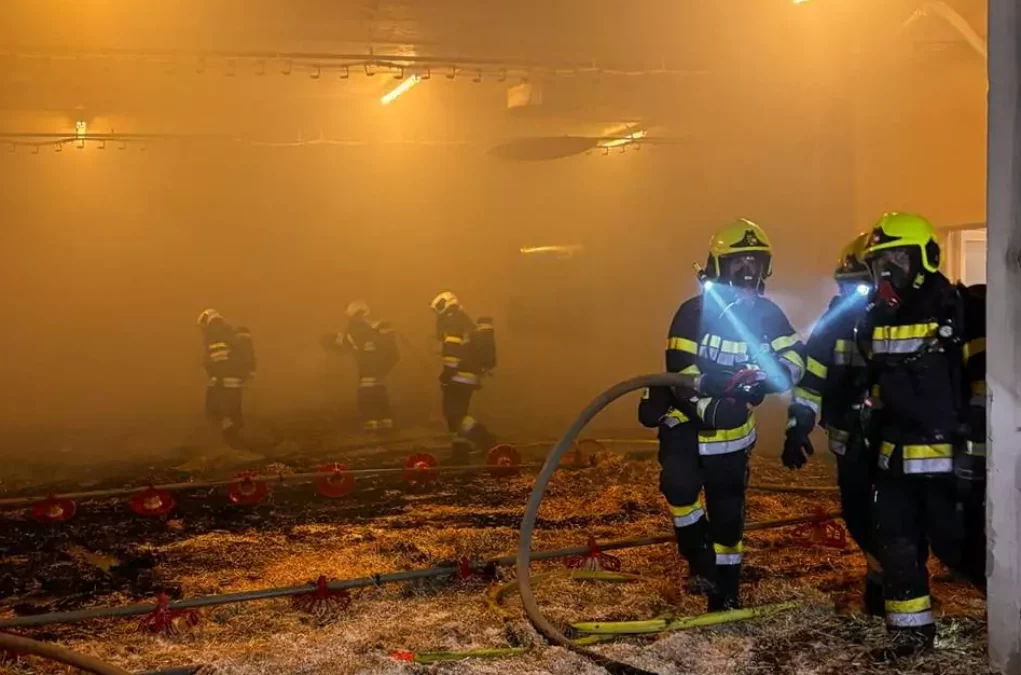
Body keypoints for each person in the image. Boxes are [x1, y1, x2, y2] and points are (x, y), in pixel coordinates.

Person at [639, 219, 806, 611]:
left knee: (728, 518)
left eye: (756, 263)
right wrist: (713, 407)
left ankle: (725, 591)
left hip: (732, 440)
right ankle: (698, 559)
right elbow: (680, 375)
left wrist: (768, 378)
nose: (748, 274)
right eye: (738, 264)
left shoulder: (768, 315)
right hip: (686, 425)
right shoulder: (691, 313)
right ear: (716, 267)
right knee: (679, 488)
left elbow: (796, 356)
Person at [857, 212, 968, 655]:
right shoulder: (876, 315)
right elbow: (873, 377)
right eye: (881, 261)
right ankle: (910, 638)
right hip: (894, 456)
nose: (889, 270)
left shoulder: (954, 307)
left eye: (899, 257)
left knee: (957, 548)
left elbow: (972, 383)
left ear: (927, 256)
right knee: (897, 545)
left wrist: (974, 452)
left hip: (944, 460)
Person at [783, 233, 883, 614]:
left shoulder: (903, 319)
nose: (851, 292)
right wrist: (799, 423)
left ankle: (892, 587)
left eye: (858, 283)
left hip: (898, 442)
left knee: (900, 516)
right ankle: (879, 576)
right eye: (847, 284)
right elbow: (811, 380)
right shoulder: (833, 322)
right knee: (856, 513)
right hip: (850, 443)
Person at [430, 291, 496, 462]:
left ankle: (485, 439)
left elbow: (452, 349)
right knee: (455, 414)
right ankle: (460, 452)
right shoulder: (461, 318)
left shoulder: (452, 319)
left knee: (455, 414)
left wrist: (447, 373)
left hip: (459, 374)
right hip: (465, 373)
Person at [323, 300, 399, 432]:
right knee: (379, 389)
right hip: (381, 365)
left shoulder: (356, 327)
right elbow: (391, 350)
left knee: (366, 393)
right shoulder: (376, 325)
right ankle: (385, 420)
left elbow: (347, 344)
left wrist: (332, 340)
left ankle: (371, 421)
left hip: (368, 366)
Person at [956, 282, 986, 592]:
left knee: (974, 513)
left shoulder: (977, 339)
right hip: (980, 453)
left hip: (980, 454)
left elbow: (978, 397)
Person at [197, 308, 256, 449]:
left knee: (214, 411)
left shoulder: (215, 331)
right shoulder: (227, 331)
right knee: (232, 412)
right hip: (234, 380)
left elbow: (219, 356)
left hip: (222, 379)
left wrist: (217, 377)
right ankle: (238, 444)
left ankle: (234, 445)